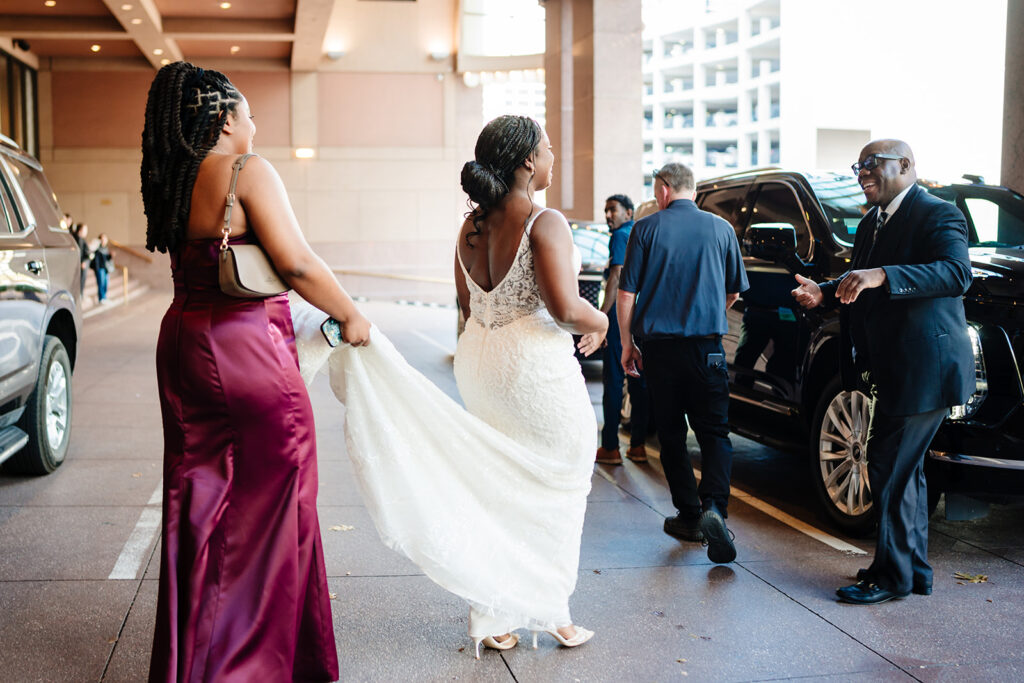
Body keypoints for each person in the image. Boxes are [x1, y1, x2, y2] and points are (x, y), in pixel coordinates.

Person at [141, 61, 370, 682]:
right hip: (246, 349)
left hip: (184, 342)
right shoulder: (247, 171)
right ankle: (254, 666)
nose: (253, 125)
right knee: (279, 501)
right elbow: (295, 263)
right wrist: (351, 314)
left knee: (199, 499)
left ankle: (197, 659)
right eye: (246, 113)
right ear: (222, 117)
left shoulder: (176, 178)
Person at [792, 139, 973, 605]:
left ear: (905, 165)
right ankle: (912, 572)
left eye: (872, 164)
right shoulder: (872, 220)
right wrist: (826, 290)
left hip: (926, 369)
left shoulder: (938, 212)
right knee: (905, 470)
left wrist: (884, 275)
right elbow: (863, 277)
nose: (861, 173)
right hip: (894, 367)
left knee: (888, 465)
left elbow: (956, 273)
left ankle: (891, 576)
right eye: (858, 165)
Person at [454, 115, 606, 651]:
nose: (552, 157)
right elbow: (565, 309)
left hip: (478, 361)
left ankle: (491, 614)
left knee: (498, 487)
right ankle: (552, 611)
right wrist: (603, 321)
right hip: (529, 370)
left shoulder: (470, 227)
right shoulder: (545, 222)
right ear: (526, 161)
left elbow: (466, 306)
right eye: (547, 149)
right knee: (562, 482)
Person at [617, 162, 748, 564]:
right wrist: (708, 309)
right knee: (714, 433)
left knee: (672, 435)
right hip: (707, 349)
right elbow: (733, 293)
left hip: (660, 350)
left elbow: (626, 295)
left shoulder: (647, 228)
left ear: (663, 190)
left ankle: (689, 516)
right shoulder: (722, 229)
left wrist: (627, 345)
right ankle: (715, 509)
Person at [595, 193, 651, 465]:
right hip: (643, 315)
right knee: (639, 380)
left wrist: (602, 317)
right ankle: (638, 446)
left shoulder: (619, 236)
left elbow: (616, 278)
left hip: (621, 316)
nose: (608, 215)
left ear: (628, 212)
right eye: (606, 211)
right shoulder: (641, 232)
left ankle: (610, 446)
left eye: (613, 210)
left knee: (615, 378)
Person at [90, 233, 113, 304]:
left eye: (105, 239)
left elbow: (106, 259)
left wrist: (110, 256)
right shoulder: (97, 248)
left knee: (105, 283)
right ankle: (101, 298)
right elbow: (95, 259)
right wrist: (97, 269)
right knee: (101, 283)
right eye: (102, 239)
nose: (104, 240)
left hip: (106, 269)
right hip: (99, 268)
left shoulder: (105, 248)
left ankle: (104, 297)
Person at [74, 222, 90, 296]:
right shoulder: (77, 239)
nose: (86, 232)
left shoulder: (82, 239)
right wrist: (82, 261)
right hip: (79, 264)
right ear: (80, 230)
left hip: (83, 263)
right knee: (79, 281)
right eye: (85, 230)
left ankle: (81, 294)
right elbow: (79, 252)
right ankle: (79, 295)